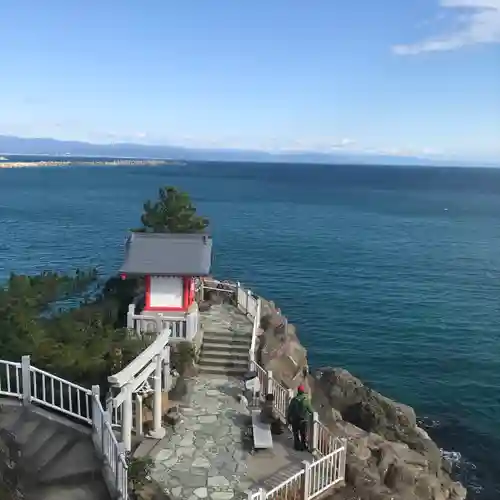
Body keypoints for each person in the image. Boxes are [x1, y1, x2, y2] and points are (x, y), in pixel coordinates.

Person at [286, 385, 313, 451]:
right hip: (303, 420)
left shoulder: (294, 400)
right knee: (303, 434)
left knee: (296, 433)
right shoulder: (306, 400)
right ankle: (303, 446)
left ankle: (297, 446)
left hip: (294, 420)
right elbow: (311, 410)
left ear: (298, 391)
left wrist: (288, 418)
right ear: (303, 391)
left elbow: (289, 410)